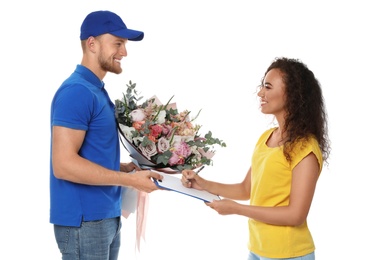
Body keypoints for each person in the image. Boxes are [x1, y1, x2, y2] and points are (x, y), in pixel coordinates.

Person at [182, 57, 330, 260]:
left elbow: (296, 215)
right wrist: (203, 184)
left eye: (268, 87)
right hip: (258, 249)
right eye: (262, 86)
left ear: (293, 95)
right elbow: (246, 189)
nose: (260, 93)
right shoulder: (266, 138)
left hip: (289, 253)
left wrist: (236, 209)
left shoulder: (305, 148)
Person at [49, 10, 162, 260]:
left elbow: (88, 154)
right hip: (85, 222)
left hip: (105, 216)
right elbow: (64, 165)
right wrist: (131, 181)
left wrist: (124, 169)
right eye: (118, 43)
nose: (124, 52)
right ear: (92, 43)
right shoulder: (77, 92)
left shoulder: (95, 90)